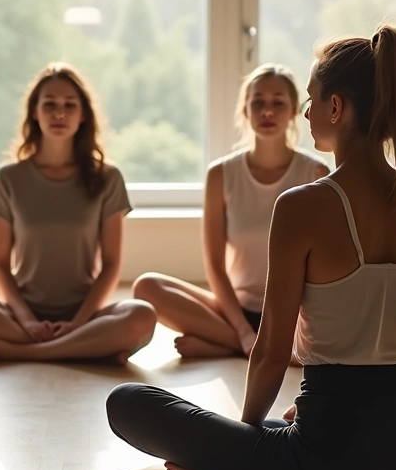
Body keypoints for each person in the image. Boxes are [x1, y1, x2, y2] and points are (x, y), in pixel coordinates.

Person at [106, 26, 396, 470]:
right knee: (284, 423)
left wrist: (236, 450)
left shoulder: (303, 205)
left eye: (311, 99)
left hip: (329, 463)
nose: (307, 112)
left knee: (128, 403)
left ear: (337, 107)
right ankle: (265, 457)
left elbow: (272, 352)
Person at [0, 63, 157, 363]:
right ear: (34, 112)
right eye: (49, 104)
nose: (59, 113)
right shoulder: (8, 179)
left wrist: (79, 322)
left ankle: (30, 352)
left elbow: (112, 265)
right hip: (22, 312)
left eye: (69, 105)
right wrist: (27, 321)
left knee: (142, 316)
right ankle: (80, 348)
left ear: (83, 115)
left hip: (84, 313)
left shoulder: (108, 178)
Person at [132, 64, 327, 358]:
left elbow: (319, 266)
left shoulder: (314, 172)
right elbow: (214, 265)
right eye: (258, 102)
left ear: (293, 112)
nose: (267, 111)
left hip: (291, 315)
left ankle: (227, 346)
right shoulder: (221, 175)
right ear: (245, 111)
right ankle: (246, 346)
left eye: (278, 103)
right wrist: (243, 332)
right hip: (234, 310)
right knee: (146, 287)